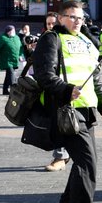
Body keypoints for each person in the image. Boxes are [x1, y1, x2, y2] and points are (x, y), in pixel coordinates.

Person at [32, 0, 102, 203]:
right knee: (88, 163)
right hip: (65, 109)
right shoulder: (51, 39)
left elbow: (95, 76)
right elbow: (44, 75)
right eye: (72, 17)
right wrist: (67, 89)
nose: (78, 21)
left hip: (85, 109)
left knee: (84, 161)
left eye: (81, 18)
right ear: (60, 18)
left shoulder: (86, 40)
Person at [42, 12, 72, 172]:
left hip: (66, 88)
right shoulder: (46, 40)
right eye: (48, 24)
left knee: (62, 123)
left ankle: (61, 156)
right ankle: (63, 154)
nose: (51, 27)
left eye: (53, 23)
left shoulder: (66, 40)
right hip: (51, 89)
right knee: (56, 123)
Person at [0, 25, 22, 95]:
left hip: (14, 59)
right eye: (11, 30)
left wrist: (20, 55)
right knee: (11, 74)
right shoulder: (3, 38)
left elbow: (21, 47)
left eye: (13, 30)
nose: (13, 32)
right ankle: (13, 89)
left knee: (8, 75)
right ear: (7, 32)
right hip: (6, 60)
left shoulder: (17, 37)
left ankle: (5, 90)